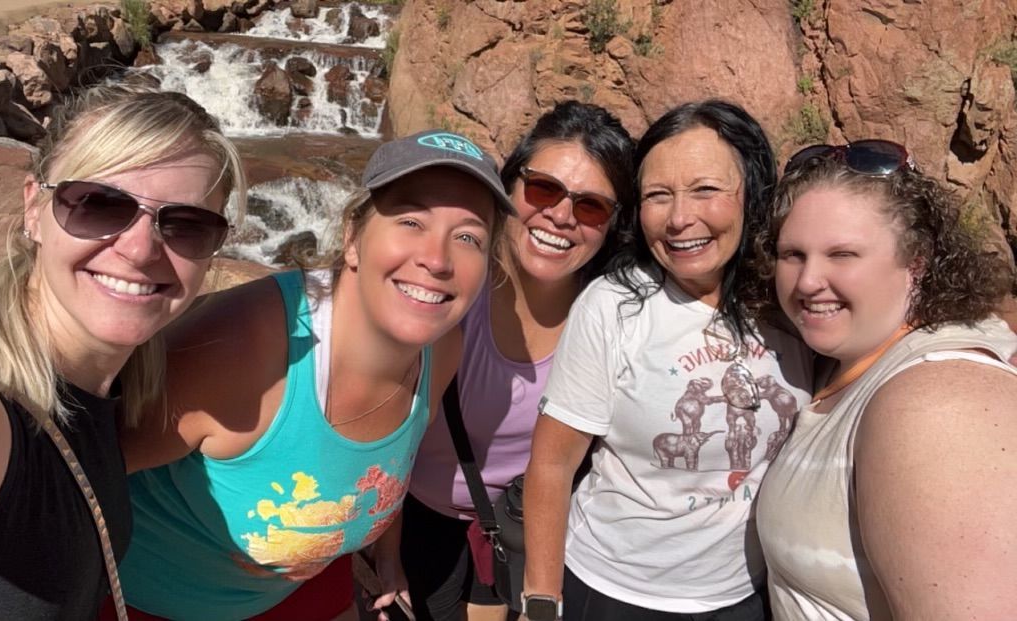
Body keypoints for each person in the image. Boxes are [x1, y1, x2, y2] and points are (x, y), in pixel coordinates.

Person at [111, 130, 515, 621]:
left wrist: (389, 558)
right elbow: (78, 478)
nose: (436, 259)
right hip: (146, 601)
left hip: (297, 595)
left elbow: (390, 465)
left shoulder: (442, 348)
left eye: (468, 237)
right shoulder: (242, 350)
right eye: (411, 220)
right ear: (352, 239)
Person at [0, 84, 246, 619]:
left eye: (185, 224)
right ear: (34, 209)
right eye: (98, 204)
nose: (139, 250)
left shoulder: (110, 388)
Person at [520, 100, 813, 621]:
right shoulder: (613, 306)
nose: (680, 218)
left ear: (752, 194)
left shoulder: (793, 302)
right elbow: (552, 464)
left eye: (706, 189)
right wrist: (542, 603)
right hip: (609, 589)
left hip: (743, 595)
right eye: (658, 195)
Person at [753, 141, 1017, 620]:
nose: (808, 280)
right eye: (793, 254)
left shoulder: (936, 407)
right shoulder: (846, 359)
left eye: (842, 254)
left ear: (916, 262)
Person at [399, 102, 637, 621]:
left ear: (614, 225)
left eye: (591, 205)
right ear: (509, 186)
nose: (561, 216)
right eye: (543, 189)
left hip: (528, 523)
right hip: (418, 516)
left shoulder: (615, 317)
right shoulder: (449, 287)